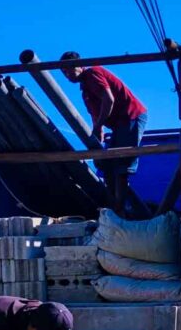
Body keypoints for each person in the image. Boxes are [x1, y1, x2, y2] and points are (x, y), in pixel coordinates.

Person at [60, 51, 148, 217]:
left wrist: (99, 124)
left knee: (122, 163)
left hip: (131, 117)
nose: (68, 75)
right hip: (119, 124)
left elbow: (109, 99)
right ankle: (116, 207)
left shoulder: (92, 74)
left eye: (69, 69)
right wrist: (98, 130)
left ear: (80, 65)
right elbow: (96, 113)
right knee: (106, 164)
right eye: (64, 72)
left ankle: (119, 211)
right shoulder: (85, 89)